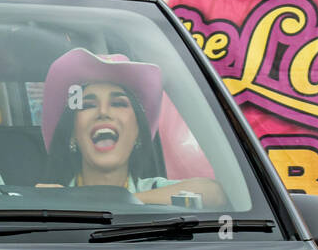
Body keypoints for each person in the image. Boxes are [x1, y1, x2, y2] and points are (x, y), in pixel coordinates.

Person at [39, 47, 227, 205]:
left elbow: (215, 194)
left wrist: (122, 201)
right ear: (72, 134)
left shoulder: (154, 189)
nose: (103, 112)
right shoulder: (54, 199)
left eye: (119, 103)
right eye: (88, 105)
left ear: (138, 132)